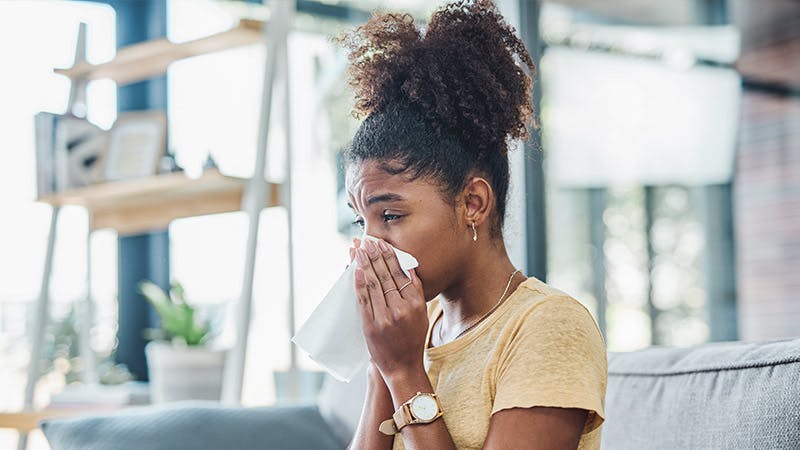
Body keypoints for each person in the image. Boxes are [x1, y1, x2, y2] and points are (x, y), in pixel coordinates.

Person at [339, 1, 607, 449]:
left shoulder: (547, 326)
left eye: (390, 215)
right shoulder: (416, 327)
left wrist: (405, 373)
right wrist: (380, 368)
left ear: (473, 203)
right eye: (361, 220)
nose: (371, 244)